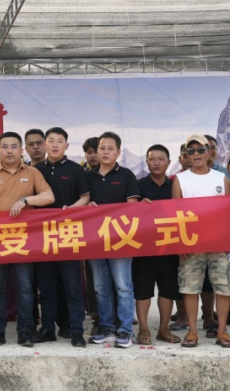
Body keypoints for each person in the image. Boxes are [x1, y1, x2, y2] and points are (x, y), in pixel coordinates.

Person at [0, 131, 55, 347]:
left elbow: (49, 197)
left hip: (24, 239)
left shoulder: (32, 172)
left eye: (14, 146)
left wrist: (26, 200)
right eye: (5, 147)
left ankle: (25, 332)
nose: (9, 151)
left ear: (21, 150)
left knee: (25, 288)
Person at [173, 134, 230, 349]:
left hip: (219, 244)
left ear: (209, 152)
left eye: (200, 150)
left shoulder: (221, 178)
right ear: (186, 155)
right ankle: (192, 332)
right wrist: (180, 243)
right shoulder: (180, 180)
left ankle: (222, 331)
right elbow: (176, 214)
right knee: (190, 288)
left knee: (224, 287)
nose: (196, 154)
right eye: (191, 151)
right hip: (191, 244)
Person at [33, 127, 91, 347]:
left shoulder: (75, 170)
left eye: (60, 141)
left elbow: (85, 197)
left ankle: (76, 331)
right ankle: (48, 329)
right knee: (46, 288)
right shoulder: (36, 170)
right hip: (43, 237)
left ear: (66, 146)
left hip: (68, 235)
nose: (55, 145)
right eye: (51, 141)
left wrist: (71, 210)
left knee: (72, 287)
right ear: (45, 145)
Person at [86, 131, 141, 349]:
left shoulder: (126, 175)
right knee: (101, 287)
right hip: (95, 240)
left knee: (123, 287)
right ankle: (107, 327)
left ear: (118, 152)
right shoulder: (87, 177)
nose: (106, 152)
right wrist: (87, 206)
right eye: (102, 148)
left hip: (121, 240)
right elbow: (81, 202)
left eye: (110, 149)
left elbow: (133, 206)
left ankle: (125, 330)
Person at [134, 144, 181, 346]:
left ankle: (163, 329)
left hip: (169, 245)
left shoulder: (176, 187)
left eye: (161, 159)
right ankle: (143, 328)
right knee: (142, 289)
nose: (156, 163)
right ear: (146, 162)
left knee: (168, 288)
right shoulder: (138, 185)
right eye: (152, 159)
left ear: (169, 162)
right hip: (143, 246)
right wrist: (138, 207)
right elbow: (127, 212)